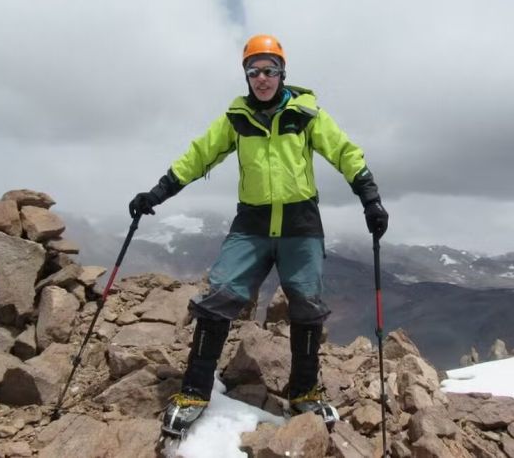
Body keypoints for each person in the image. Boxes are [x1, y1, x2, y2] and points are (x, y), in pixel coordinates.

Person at [129, 34, 388, 436]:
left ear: (282, 73)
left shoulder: (306, 114)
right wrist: (157, 193)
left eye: (269, 70)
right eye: (254, 71)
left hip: (300, 224)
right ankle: (194, 392)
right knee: (220, 295)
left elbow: (343, 151)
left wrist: (370, 198)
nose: (262, 78)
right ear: (246, 76)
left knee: (307, 304)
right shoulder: (237, 119)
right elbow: (199, 155)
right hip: (251, 224)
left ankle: (305, 392)